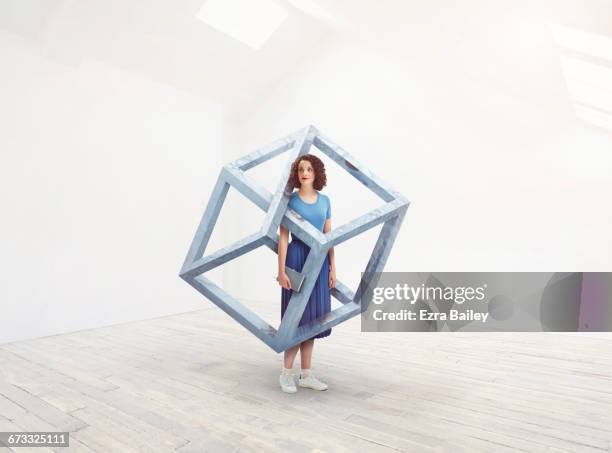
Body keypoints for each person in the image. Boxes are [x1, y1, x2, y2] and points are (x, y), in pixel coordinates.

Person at [276, 154, 336, 394]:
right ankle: (286, 374)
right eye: (301, 169)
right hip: (297, 258)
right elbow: (283, 238)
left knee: (311, 319)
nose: (305, 173)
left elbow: (329, 237)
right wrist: (281, 271)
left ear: (316, 173)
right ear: (297, 173)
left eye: (310, 169)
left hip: (319, 261)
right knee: (295, 319)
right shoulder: (289, 201)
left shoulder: (325, 201)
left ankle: (306, 375)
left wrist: (333, 267)